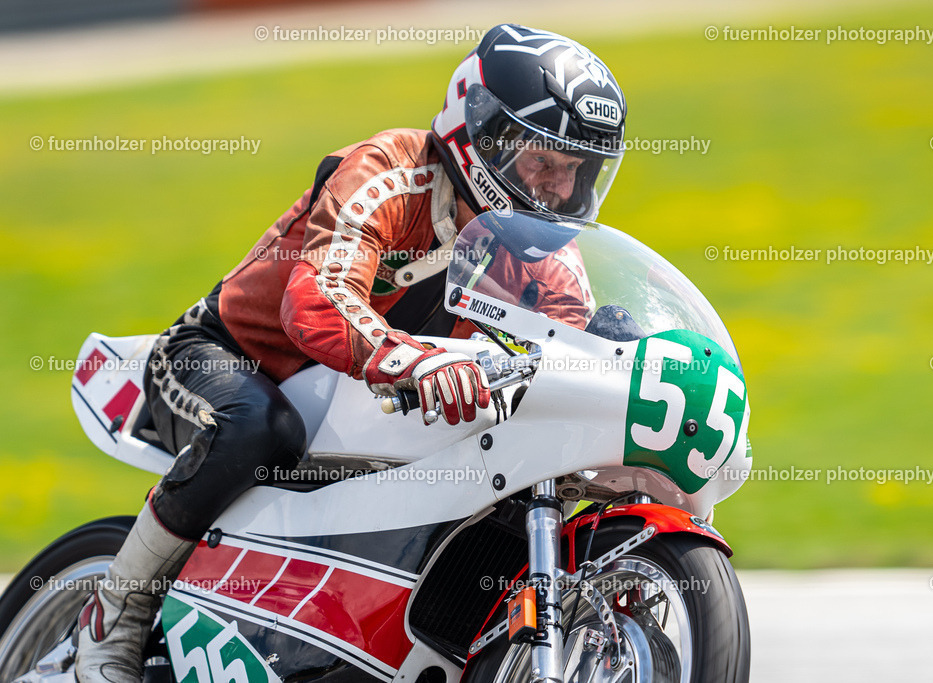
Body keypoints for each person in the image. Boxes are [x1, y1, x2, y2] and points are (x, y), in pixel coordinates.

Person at [73, 23, 626, 682]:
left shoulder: (544, 254)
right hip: (228, 356)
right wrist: (416, 362)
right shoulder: (388, 173)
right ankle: (114, 614)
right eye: (543, 162)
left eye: (575, 171)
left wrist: (611, 360)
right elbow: (317, 302)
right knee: (259, 426)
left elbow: (565, 342)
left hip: (361, 405)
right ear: (482, 134)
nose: (559, 193)